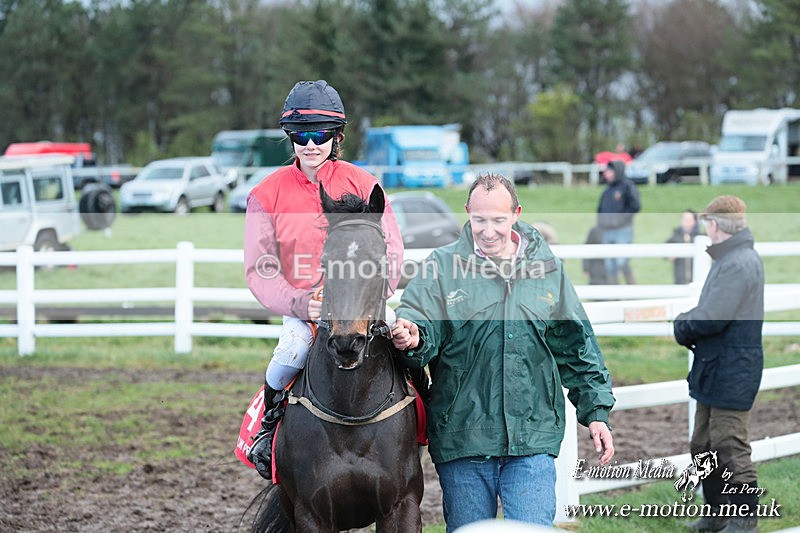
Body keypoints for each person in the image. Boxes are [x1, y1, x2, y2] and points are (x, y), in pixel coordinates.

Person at [390, 173, 615, 531]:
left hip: (533, 437)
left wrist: (596, 412)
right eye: (479, 219)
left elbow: (577, 346)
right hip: (463, 436)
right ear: (467, 212)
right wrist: (414, 336)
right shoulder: (441, 267)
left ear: (516, 214)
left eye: (498, 220)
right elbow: (419, 318)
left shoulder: (548, 269)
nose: (488, 231)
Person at [243, 80, 404, 480]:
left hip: (363, 304)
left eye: (320, 135)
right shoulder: (265, 194)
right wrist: (301, 304)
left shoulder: (366, 184)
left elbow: (393, 251)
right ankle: (267, 428)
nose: (311, 144)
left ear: (337, 136)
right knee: (290, 353)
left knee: (408, 348)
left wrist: (371, 297)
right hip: (304, 309)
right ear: (290, 138)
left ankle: (429, 422)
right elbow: (260, 268)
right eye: (301, 136)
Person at [673, 196, 764, 533]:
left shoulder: (738, 263)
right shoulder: (731, 259)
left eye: (707, 222)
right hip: (718, 366)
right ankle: (717, 513)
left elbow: (712, 316)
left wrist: (681, 325)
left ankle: (744, 518)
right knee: (704, 444)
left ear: (714, 225)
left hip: (732, 368)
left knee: (728, 443)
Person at [596, 159, 640, 284]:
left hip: (623, 230)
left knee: (622, 262)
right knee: (610, 265)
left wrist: (620, 220)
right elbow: (600, 209)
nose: (606, 174)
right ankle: (614, 292)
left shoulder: (628, 187)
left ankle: (632, 290)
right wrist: (601, 223)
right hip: (607, 231)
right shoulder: (607, 190)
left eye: (610, 171)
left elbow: (635, 206)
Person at [666, 209, 700, 284]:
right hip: (680, 278)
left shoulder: (700, 238)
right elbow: (665, 251)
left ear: (695, 221)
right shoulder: (675, 237)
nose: (686, 222)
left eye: (689, 220)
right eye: (685, 219)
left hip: (697, 279)